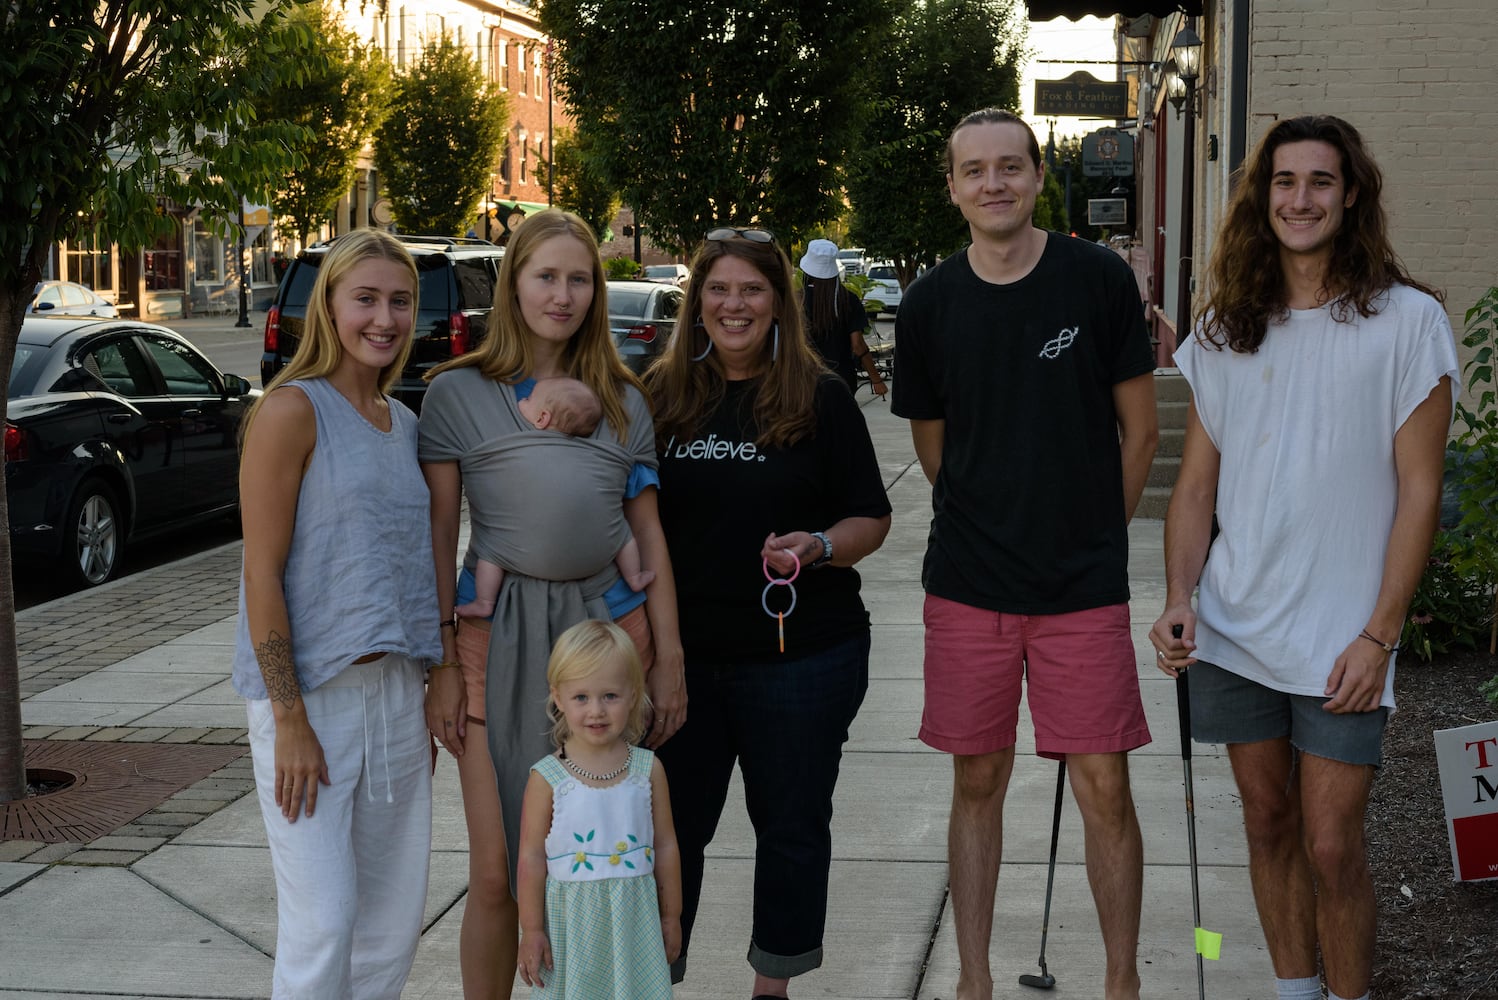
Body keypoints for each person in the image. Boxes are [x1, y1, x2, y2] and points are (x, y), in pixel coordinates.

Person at [1151, 115, 1457, 1000]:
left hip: (1344, 640)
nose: (1301, 200)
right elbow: (1196, 491)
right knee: (1268, 820)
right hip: (1237, 625)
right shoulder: (1224, 331)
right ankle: (1294, 992)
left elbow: (1420, 493)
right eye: (1284, 183)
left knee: (1332, 843)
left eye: (1320, 182)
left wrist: (1379, 635)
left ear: (1351, 194)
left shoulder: (1409, 323)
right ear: (1262, 198)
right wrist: (1181, 595)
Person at [891, 107, 1159, 1000]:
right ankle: (973, 980)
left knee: (1103, 787)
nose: (994, 183)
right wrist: (992, 516)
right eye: (975, 171)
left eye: (1011, 166)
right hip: (969, 585)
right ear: (955, 187)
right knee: (979, 780)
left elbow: (1140, 431)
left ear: (1040, 175)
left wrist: (1091, 534)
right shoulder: (930, 303)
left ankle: (1121, 982)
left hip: (1081, 587)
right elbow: (934, 449)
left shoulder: (1095, 281)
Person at [418, 208, 685, 1000]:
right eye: (545, 276)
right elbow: (438, 539)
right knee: (498, 872)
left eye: (578, 278)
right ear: (513, 284)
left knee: (601, 862)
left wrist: (670, 660)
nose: (562, 295)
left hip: (605, 644)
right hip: (494, 641)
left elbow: (651, 541)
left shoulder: (626, 402)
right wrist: (439, 663)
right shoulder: (458, 395)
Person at [644, 225, 892, 998]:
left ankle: (772, 987)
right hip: (681, 664)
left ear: (779, 301)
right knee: (670, 834)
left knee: (790, 831)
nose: (734, 304)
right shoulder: (658, 397)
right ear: (698, 303)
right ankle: (656, 974)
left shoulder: (820, 397)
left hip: (804, 658)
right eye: (717, 289)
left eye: (751, 289)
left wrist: (817, 544)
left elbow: (871, 518)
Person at [233, 228, 442, 998]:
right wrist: (288, 717)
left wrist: (428, 687)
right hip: (311, 697)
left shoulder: (405, 423)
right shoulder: (292, 411)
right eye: (366, 299)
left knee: (389, 927)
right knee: (324, 923)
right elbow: (262, 573)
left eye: (399, 301)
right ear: (329, 305)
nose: (383, 318)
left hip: (394, 695)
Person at [515, 620, 682, 997]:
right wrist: (533, 929)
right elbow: (530, 857)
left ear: (634, 694)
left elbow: (667, 845)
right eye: (581, 697)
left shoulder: (647, 770)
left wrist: (671, 915)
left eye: (610, 695)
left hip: (634, 925)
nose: (597, 711)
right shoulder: (549, 778)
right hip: (570, 931)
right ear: (558, 697)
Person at [454, 376, 655, 620]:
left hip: (516, 552)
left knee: (490, 554)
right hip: (601, 556)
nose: (523, 401)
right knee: (624, 536)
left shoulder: (520, 447)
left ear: (542, 418)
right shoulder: (593, 453)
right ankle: (634, 577)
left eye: (528, 399)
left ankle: (484, 601)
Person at [798, 238, 887, 397]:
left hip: (803, 379)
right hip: (841, 380)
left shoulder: (797, 300)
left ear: (807, 270)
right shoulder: (848, 300)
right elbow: (858, 345)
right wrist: (876, 380)